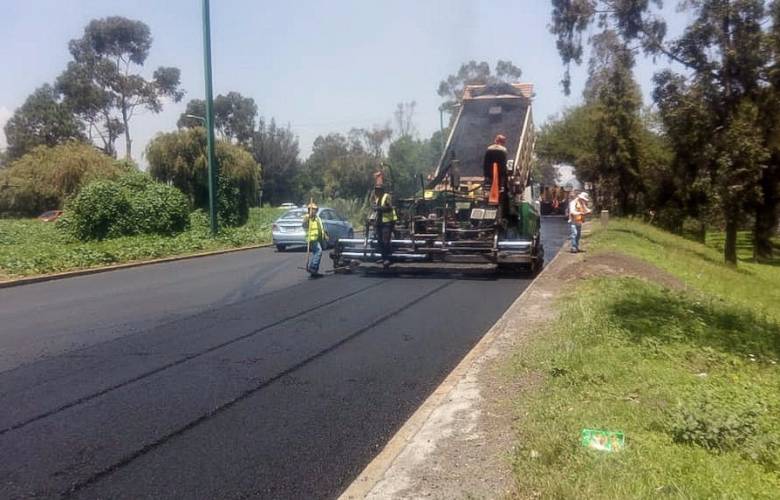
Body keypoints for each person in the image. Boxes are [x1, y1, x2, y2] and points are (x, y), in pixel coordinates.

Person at [372, 180, 397, 266]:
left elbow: (389, 208)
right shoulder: (378, 198)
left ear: (382, 190)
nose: (376, 191)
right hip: (379, 222)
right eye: (376, 189)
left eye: (378, 189)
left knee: (385, 241)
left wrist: (379, 208)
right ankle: (383, 257)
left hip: (387, 222)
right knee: (379, 241)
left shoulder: (386, 196)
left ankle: (388, 259)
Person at [302, 201, 328, 277]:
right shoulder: (308, 217)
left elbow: (321, 227)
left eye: (315, 209)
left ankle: (314, 271)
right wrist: (308, 218)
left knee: (316, 253)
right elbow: (304, 225)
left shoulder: (317, 218)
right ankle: (313, 268)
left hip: (318, 238)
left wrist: (325, 235)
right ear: (309, 210)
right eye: (312, 209)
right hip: (312, 239)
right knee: (318, 251)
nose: (314, 211)